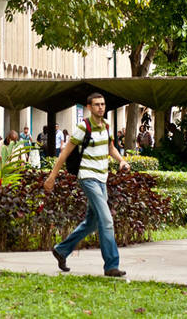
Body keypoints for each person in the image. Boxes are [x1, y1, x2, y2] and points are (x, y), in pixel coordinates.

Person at [45, 92, 130, 278]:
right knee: (106, 220)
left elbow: (110, 148)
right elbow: (65, 153)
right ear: (89, 107)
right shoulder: (83, 127)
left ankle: (61, 250)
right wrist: (52, 177)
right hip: (88, 178)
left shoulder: (107, 125)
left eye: (103, 104)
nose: (101, 107)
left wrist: (121, 161)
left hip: (102, 179)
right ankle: (111, 265)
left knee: (91, 223)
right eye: (97, 104)